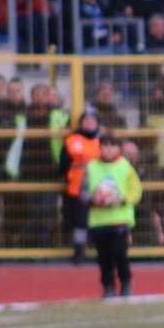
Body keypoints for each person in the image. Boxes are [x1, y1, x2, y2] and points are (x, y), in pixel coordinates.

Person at [82, 132, 143, 299]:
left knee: (119, 253)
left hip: (120, 220)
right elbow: (83, 191)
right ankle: (108, 286)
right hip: (99, 221)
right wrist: (93, 200)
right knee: (104, 258)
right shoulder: (92, 167)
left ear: (118, 148)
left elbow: (136, 191)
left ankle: (126, 281)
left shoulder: (125, 166)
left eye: (112, 146)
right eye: (105, 146)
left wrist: (122, 200)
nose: (108, 150)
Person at [59, 106, 103, 263]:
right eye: (86, 120)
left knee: (99, 220)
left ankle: (100, 250)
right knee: (80, 221)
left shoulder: (103, 140)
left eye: (92, 120)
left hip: (100, 188)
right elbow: (63, 164)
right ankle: (79, 251)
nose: (89, 123)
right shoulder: (72, 140)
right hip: (76, 188)